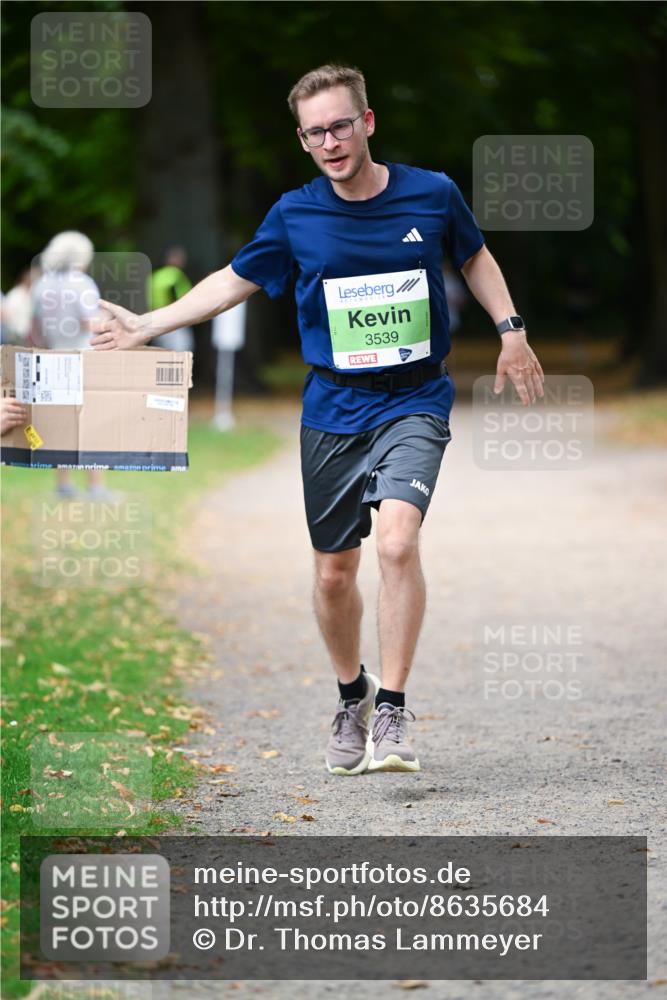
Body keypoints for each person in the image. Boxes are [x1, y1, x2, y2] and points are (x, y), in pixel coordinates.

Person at [91, 64, 544, 775]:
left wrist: (510, 328)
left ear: (366, 123)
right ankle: (352, 694)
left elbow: (475, 254)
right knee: (335, 573)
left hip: (413, 399)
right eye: (314, 133)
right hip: (332, 406)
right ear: (302, 141)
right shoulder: (294, 215)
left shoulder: (431, 194)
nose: (329, 141)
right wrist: (148, 324)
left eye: (339, 125)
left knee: (397, 541)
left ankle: (391, 706)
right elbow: (229, 283)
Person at [32, 230, 110, 500]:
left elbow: (36, 328)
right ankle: (95, 486)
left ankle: (64, 484)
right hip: (83, 358)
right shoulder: (81, 283)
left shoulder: (42, 284)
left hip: (53, 358)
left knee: (60, 425)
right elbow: (92, 324)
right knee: (91, 423)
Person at [146, 246, 194, 353]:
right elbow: (183, 299)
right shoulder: (176, 276)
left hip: (155, 320)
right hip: (174, 322)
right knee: (181, 353)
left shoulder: (155, 276)